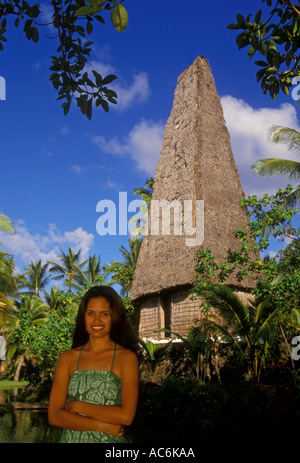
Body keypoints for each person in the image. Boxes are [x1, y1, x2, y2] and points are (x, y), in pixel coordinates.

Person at [48, 285, 139, 443]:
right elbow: (54, 416)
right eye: (91, 313)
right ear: (84, 316)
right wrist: (101, 426)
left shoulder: (126, 358)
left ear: (114, 316)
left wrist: (78, 406)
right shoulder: (68, 358)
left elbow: (126, 416)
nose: (97, 320)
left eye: (104, 314)